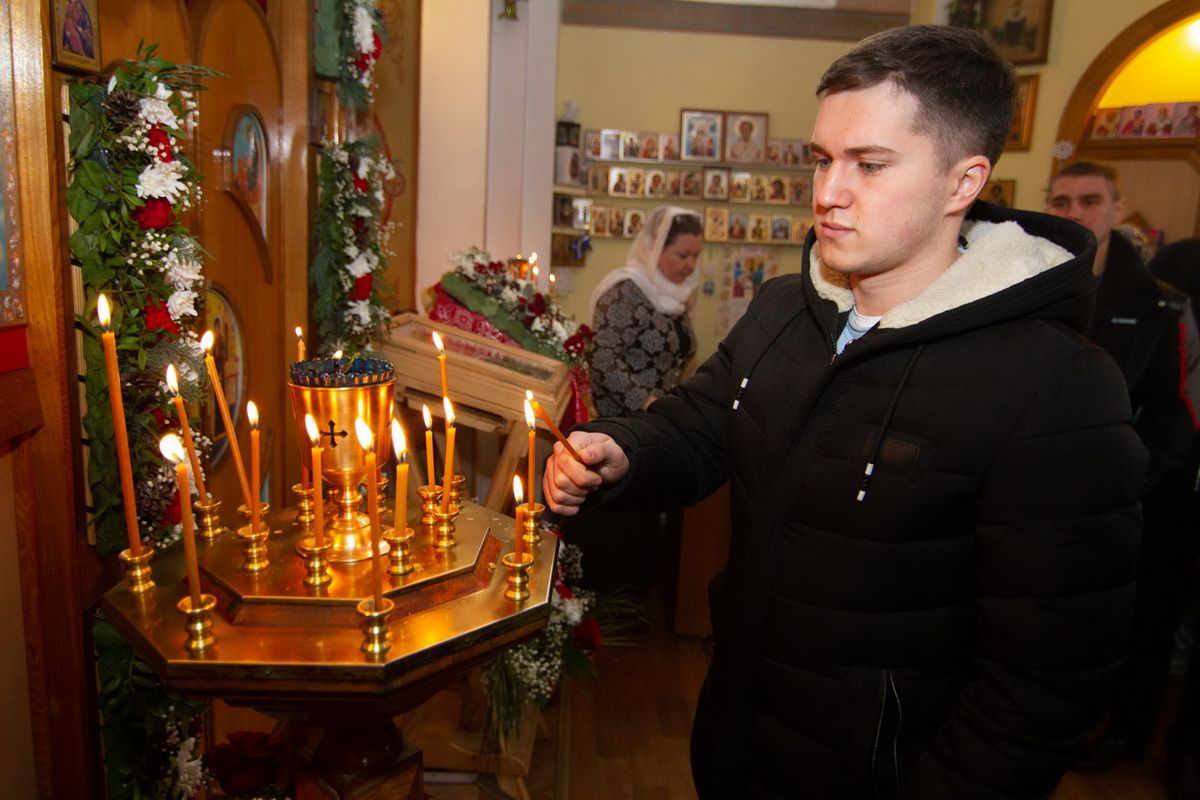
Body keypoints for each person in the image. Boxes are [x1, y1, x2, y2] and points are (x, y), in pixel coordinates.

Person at [544, 25, 1146, 799]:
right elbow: (699, 423)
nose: (828, 192)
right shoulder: (785, 309)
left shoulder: (1056, 382)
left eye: (870, 164)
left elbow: (1043, 683)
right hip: (738, 738)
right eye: (823, 159)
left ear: (962, 183)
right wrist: (623, 448)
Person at [1047, 162, 1200, 782]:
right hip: (1042, 495)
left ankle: (1127, 730)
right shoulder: (1022, 287)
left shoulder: (1162, 305)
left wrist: (1126, 482)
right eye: (1061, 201)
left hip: (1135, 501)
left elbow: (1179, 415)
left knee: (1139, 622)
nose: (1075, 212)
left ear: (1117, 207)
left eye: (1090, 200)